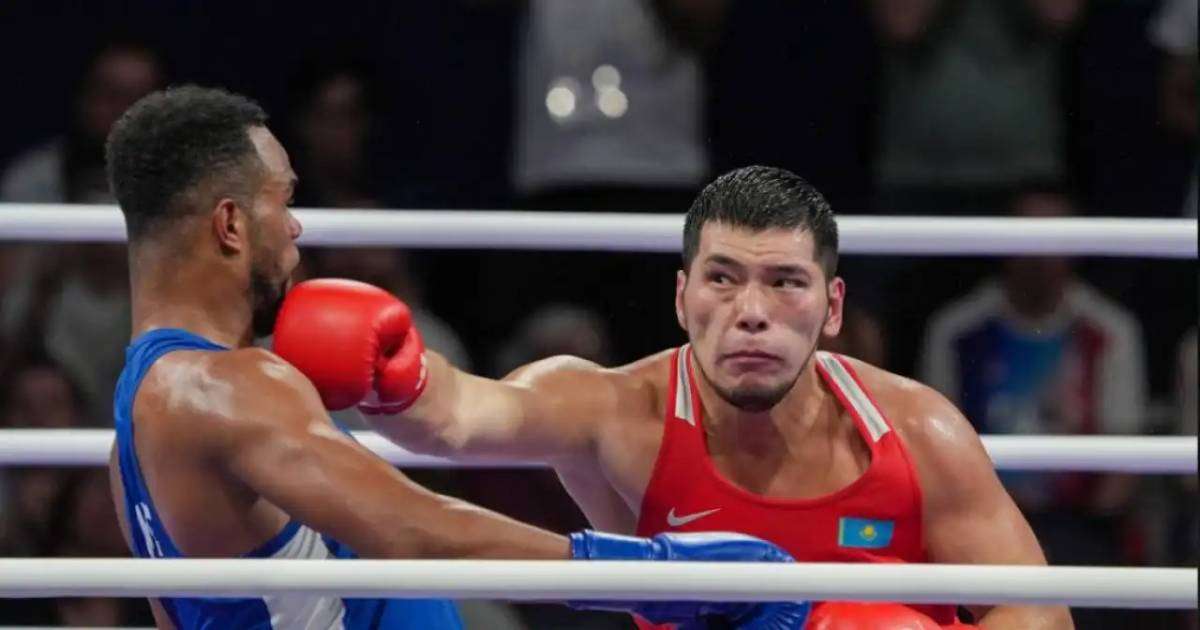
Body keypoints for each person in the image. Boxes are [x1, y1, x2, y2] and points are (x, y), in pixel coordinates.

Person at [104, 86, 810, 630]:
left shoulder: (129, 438)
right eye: (281, 201)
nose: (293, 228)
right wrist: (662, 574)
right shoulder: (231, 387)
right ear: (230, 224)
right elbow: (416, 530)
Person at [278, 166, 1073, 629]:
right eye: (723, 279)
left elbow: (1040, 617)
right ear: (683, 297)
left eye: (785, 283)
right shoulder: (616, 412)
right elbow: (461, 417)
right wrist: (398, 378)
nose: (751, 310)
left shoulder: (917, 431)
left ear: (831, 309)